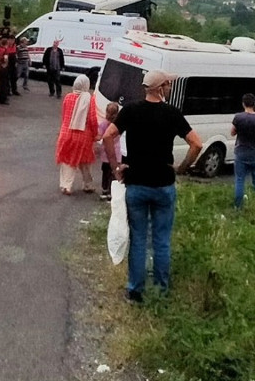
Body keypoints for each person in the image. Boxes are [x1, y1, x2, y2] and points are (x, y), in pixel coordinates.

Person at [101, 70, 203, 303]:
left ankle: (135, 291)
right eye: (168, 84)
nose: (169, 88)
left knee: (138, 239)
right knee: (161, 239)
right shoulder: (172, 113)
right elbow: (196, 144)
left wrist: (116, 167)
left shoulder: (131, 111)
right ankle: (161, 289)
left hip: (136, 184)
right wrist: (181, 168)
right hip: (163, 185)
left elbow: (108, 136)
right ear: (160, 88)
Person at [55, 75, 98, 194]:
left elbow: (64, 116)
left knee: (68, 161)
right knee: (85, 161)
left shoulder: (68, 97)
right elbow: (92, 120)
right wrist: (96, 134)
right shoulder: (90, 99)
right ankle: (88, 184)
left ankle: (66, 185)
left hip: (66, 133)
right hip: (83, 136)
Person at [230, 93, 255, 209]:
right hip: (254, 152)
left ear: (243, 104)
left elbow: (232, 133)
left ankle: (238, 206)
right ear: (254, 104)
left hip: (240, 152)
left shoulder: (238, 117)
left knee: (240, 180)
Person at [97, 101, 121, 202]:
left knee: (105, 172)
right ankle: (112, 192)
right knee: (114, 172)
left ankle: (104, 190)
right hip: (116, 152)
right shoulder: (119, 124)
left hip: (106, 152)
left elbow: (99, 136)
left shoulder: (104, 124)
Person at [0, 34, 12, 105]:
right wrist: (5, 65)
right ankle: (3, 99)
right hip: (3, 68)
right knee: (4, 84)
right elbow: (5, 59)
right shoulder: (5, 50)